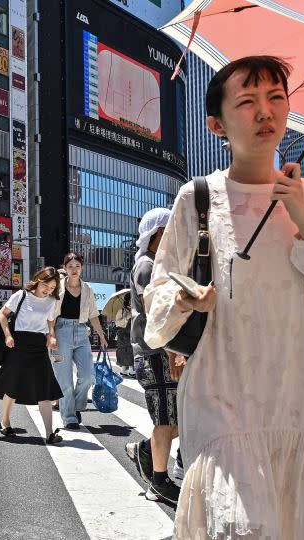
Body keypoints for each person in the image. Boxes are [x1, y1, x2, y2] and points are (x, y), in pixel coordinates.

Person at [143, 56, 304, 538]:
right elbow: (160, 287)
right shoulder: (197, 197)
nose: (265, 112)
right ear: (217, 124)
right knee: (241, 526)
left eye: (276, 98)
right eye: (247, 102)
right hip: (226, 390)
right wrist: (185, 300)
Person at [124, 207, 182, 504]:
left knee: (175, 420)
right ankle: (158, 482)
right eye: (170, 229)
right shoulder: (147, 266)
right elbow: (156, 315)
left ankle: (145, 451)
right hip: (154, 352)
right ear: (158, 233)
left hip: (161, 351)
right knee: (165, 419)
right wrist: (173, 353)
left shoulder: (157, 264)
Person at [0, 267, 65, 444]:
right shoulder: (21, 295)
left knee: (44, 389)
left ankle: (49, 433)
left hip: (39, 346)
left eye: (52, 288)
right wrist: (7, 335)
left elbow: (50, 320)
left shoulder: (52, 301)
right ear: (38, 280)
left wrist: (51, 335)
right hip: (18, 344)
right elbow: (2, 315)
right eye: (46, 286)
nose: (48, 291)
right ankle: (5, 421)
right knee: (12, 387)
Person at [51, 253, 108, 430]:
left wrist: (102, 335)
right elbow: (50, 315)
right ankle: (69, 417)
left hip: (82, 332)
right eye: (70, 266)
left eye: (77, 266)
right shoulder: (57, 287)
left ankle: (75, 407)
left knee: (87, 375)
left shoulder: (88, 289)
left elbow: (93, 315)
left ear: (81, 267)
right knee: (64, 379)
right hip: (61, 331)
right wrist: (51, 335)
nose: (74, 269)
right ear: (65, 268)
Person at [113, 291, 135, 378]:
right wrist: (127, 317)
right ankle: (128, 369)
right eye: (130, 300)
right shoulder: (121, 310)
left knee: (132, 349)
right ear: (127, 301)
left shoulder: (135, 310)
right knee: (125, 350)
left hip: (132, 332)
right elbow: (118, 323)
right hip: (123, 333)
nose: (132, 301)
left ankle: (126, 370)